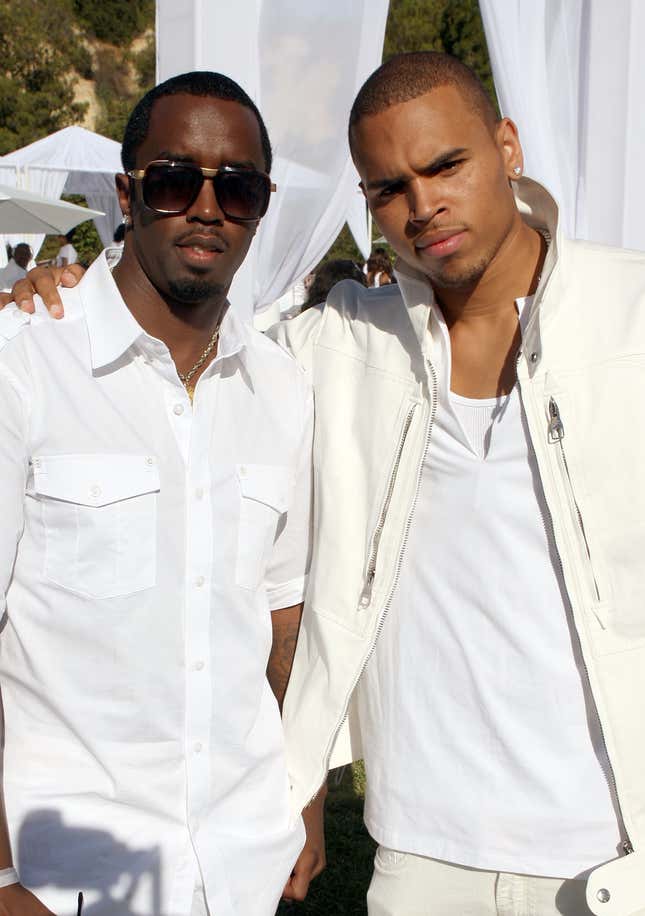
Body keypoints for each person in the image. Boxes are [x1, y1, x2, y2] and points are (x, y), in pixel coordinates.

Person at [8, 51, 645, 916]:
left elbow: (274, 611)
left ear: (507, 146)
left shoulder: (629, 317)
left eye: (445, 165)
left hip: (616, 848)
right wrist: (54, 293)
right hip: (421, 857)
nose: (423, 207)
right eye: (387, 188)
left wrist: (300, 792)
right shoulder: (334, 350)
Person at [0, 70, 324, 916]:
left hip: (246, 870)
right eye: (175, 180)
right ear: (127, 193)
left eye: (239, 188)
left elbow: (282, 623)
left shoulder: (283, 391)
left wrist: (306, 799)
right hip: (68, 877)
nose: (207, 208)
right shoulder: (24, 361)